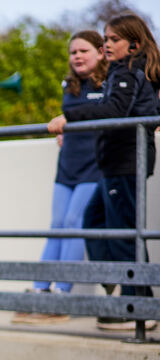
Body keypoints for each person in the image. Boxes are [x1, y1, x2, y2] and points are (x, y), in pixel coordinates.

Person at [47, 12, 160, 331]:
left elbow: (115, 110)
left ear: (134, 44)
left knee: (125, 235)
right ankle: (119, 288)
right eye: (106, 38)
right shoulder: (130, 71)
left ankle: (137, 308)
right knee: (95, 220)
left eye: (113, 40)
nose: (107, 44)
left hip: (125, 162)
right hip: (117, 162)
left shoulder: (127, 71)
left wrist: (70, 117)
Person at [13, 31, 108, 325]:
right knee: (56, 226)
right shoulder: (70, 84)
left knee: (73, 223)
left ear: (101, 52)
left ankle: (62, 294)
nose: (77, 56)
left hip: (94, 165)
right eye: (73, 52)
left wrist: (70, 121)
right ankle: (41, 290)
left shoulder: (109, 83)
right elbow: (75, 113)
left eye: (84, 50)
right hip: (67, 165)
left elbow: (105, 113)